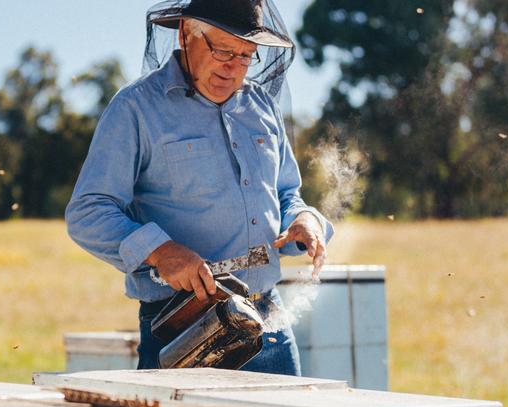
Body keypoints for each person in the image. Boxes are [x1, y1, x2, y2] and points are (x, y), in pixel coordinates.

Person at [65, 0, 334, 375]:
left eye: (245, 55)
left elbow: (287, 192)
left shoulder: (262, 106)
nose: (233, 67)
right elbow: (88, 211)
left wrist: (304, 219)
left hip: (269, 318)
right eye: (223, 50)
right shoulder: (135, 108)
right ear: (186, 32)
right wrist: (160, 251)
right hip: (183, 323)